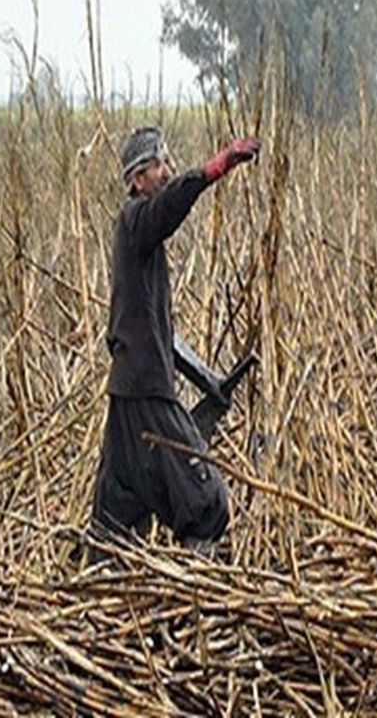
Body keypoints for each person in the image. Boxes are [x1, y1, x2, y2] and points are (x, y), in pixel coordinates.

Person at [89, 126, 259, 556]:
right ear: (136, 180)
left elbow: (157, 332)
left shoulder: (140, 242)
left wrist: (208, 380)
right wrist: (212, 170)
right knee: (205, 500)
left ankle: (102, 579)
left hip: (128, 390)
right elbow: (169, 207)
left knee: (117, 513)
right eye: (158, 165)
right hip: (145, 391)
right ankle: (204, 582)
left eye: (168, 162)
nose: (167, 170)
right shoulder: (137, 221)